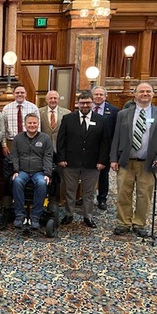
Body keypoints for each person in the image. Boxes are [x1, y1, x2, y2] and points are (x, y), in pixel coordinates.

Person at [110, 82, 157, 237]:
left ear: (153, 94)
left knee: (144, 194)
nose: (145, 94)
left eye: (148, 91)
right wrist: (113, 159)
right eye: (141, 91)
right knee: (123, 193)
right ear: (135, 94)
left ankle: (139, 223)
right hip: (126, 161)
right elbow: (116, 138)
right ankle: (123, 222)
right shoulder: (123, 114)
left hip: (148, 163)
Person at [57, 91, 110, 229]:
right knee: (70, 191)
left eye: (88, 102)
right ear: (78, 104)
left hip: (93, 163)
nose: (85, 105)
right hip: (70, 162)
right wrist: (61, 158)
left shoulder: (102, 120)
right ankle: (69, 214)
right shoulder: (68, 118)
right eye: (82, 103)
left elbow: (105, 143)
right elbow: (61, 140)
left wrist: (102, 161)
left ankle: (88, 216)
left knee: (89, 192)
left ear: (92, 103)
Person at [10, 113, 53, 229]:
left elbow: (48, 157)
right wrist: (15, 171)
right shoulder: (18, 138)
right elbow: (14, 156)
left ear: (38, 124)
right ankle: (19, 216)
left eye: (34, 123)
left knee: (42, 183)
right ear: (25, 124)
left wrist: (47, 174)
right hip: (22, 171)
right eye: (29, 123)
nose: (32, 125)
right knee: (17, 181)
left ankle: (35, 217)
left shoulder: (45, 138)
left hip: (39, 172)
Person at [92, 86, 119, 210]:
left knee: (103, 175)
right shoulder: (87, 108)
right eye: (96, 94)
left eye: (100, 94)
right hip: (89, 149)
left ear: (105, 96)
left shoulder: (114, 111)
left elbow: (115, 132)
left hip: (105, 150)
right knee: (87, 174)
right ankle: (87, 196)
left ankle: (102, 198)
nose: (98, 96)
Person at [1, 85, 40, 157]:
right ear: (13, 94)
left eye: (22, 92)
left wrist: (37, 143)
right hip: (12, 142)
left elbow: (38, 127)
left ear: (26, 94)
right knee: (13, 164)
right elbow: (3, 128)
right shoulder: (6, 108)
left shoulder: (33, 107)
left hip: (29, 141)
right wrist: (4, 145)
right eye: (17, 93)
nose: (20, 94)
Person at [38, 90, 70, 156]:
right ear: (46, 100)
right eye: (50, 98)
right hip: (43, 148)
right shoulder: (39, 112)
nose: (53, 100)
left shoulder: (67, 113)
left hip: (60, 148)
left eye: (55, 98)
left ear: (58, 100)